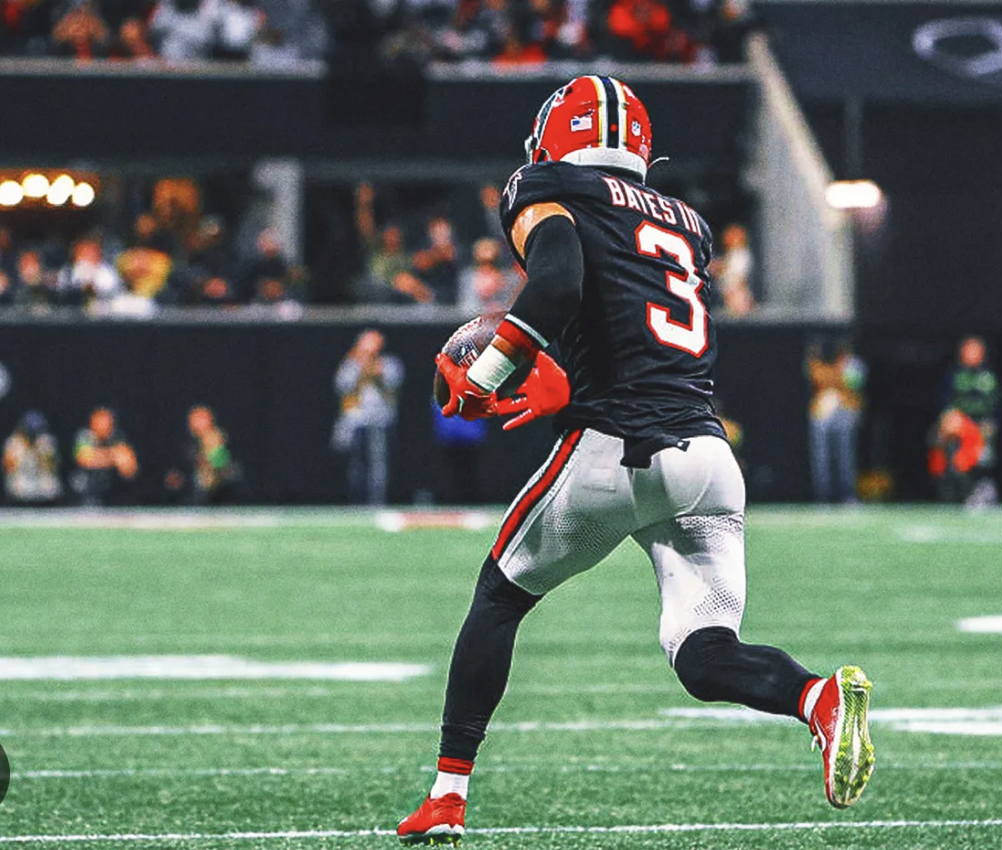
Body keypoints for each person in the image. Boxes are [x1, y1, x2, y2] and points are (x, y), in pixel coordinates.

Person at [398, 76, 875, 846]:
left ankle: (447, 795)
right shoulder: (687, 221)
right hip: (708, 456)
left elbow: (556, 284)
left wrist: (491, 379)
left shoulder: (545, 186)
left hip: (618, 447)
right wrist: (561, 380)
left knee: (499, 596)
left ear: (556, 137)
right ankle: (815, 698)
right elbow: (627, 327)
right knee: (703, 652)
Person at [331, 329, 404, 505]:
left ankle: (376, 501)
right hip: (356, 421)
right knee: (356, 464)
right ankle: (356, 501)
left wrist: (376, 372)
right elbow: (342, 387)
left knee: (378, 465)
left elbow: (392, 384)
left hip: (380, 420)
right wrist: (361, 368)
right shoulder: (351, 365)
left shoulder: (389, 364)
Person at [942, 336, 1001, 505]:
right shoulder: (955, 375)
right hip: (961, 427)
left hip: (982, 425)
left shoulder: (989, 376)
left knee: (984, 460)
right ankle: (964, 492)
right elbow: (945, 401)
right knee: (957, 463)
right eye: (969, 351)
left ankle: (985, 491)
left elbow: (997, 403)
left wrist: (994, 422)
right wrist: (949, 419)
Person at [806, 340, 866, 504]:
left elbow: (855, 383)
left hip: (845, 409)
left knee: (845, 454)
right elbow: (815, 379)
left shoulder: (852, 363)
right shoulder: (815, 362)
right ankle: (823, 496)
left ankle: (847, 494)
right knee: (821, 456)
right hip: (822, 412)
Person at [72, 407, 138, 506]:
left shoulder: (117, 437)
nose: (104, 425)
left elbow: (130, 468)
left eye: (107, 422)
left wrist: (100, 456)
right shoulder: (85, 436)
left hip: (111, 490)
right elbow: (84, 459)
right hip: (86, 488)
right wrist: (113, 456)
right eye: (100, 421)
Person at [3, 410, 62, 505]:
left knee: (49, 485)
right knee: (18, 485)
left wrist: (39, 451)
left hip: (38, 477)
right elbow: (10, 469)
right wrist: (24, 451)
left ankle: (46, 507)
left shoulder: (46, 442)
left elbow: (50, 468)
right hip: (23, 476)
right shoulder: (14, 442)